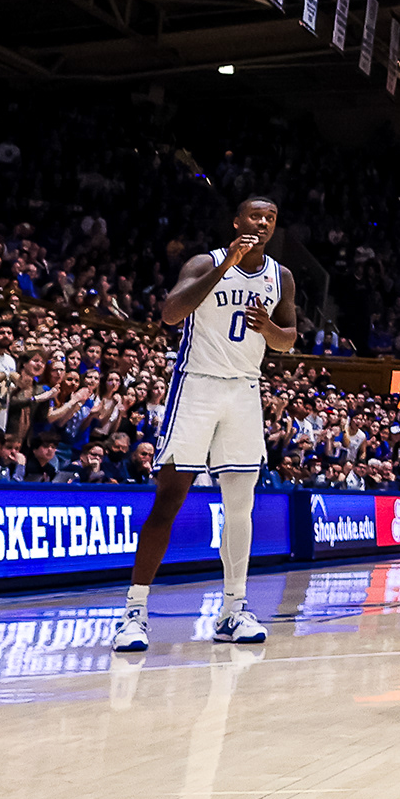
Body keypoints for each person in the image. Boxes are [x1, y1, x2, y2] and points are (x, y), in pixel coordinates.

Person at [109, 195, 294, 653]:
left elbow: (288, 339)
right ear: (236, 221)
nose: (263, 222)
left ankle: (233, 610)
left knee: (240, 505)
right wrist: (226, 265)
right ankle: (134, 612)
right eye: (255, 215)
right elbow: (171, 313)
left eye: (270, 218)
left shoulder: (281, 276)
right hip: (197, 385)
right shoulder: (204, 262)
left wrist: (269, 328)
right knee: (170, 498)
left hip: (245, 390)